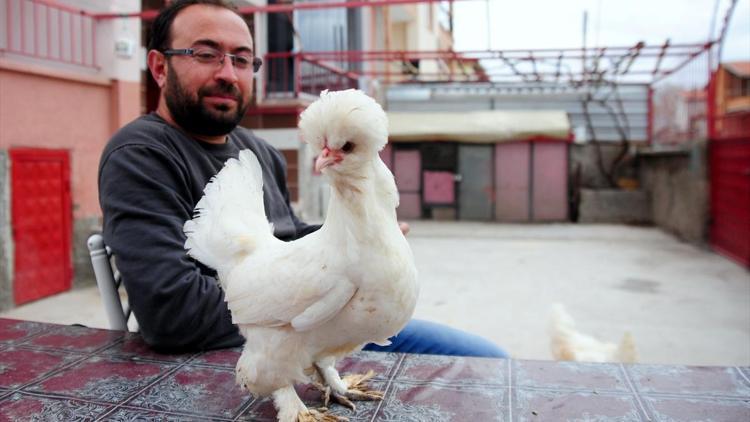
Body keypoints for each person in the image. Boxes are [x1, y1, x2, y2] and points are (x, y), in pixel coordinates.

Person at [98, 0, 507, 357]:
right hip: (250, 351)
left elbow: (288, 246)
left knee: (486, 361)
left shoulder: (261, 153)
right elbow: (173, 312)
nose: (228, 73)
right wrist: (305, 292)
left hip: (324, 330)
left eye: (242, 59)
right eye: (207, 54)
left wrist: (360, 238)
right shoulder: (140, 157)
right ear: (159, 67)